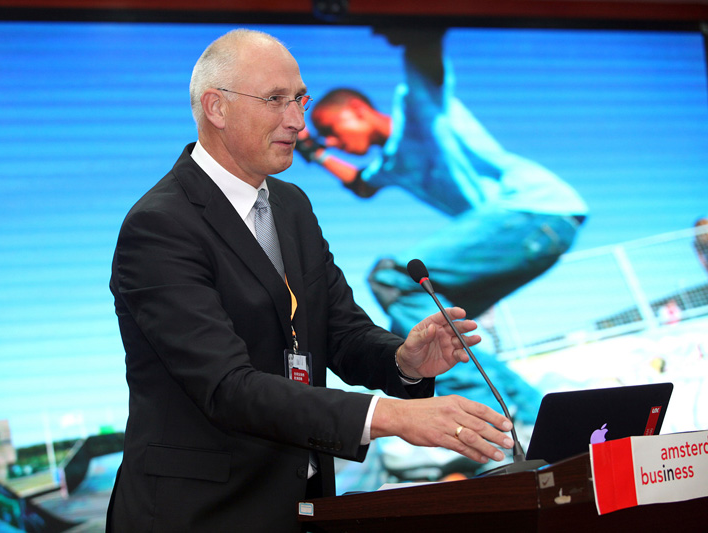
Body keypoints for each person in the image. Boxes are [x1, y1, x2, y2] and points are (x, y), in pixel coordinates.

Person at [107, 29, 515, 532]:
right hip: (201, 516)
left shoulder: (292, 206)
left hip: (303, 508)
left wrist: (403, 362)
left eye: (299, 98)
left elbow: (340, 331)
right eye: (275, 100)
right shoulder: (159, 226)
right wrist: (392, 416)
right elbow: (227, 388)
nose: (297, 120)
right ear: (216, 107)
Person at [296, 29, 588, 431]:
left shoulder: (417, 108)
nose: (333, 142)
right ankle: (545, 423)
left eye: (331, 129)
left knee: (393, 279)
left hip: (532, 210)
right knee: (433, 333)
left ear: (358, 109)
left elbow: (424, 57)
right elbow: (362, 185)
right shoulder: (391, 164)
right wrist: (312, 151)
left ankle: (493, 421)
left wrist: (416, 26)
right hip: (532, 232)